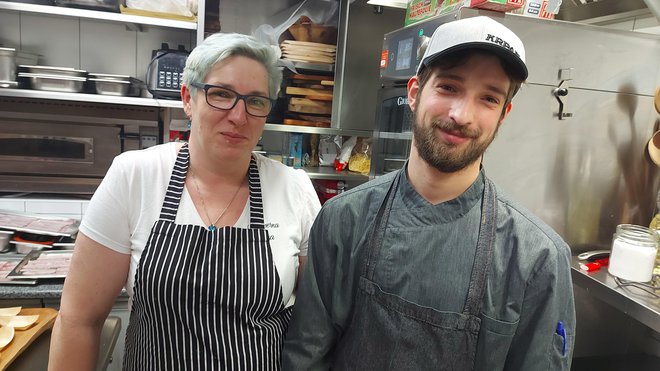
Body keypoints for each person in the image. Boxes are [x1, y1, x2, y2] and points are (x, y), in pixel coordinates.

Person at [282, 16, 575, 370]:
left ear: (503, 115)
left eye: (488, 98)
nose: (461, 114)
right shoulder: (344, 219)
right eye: (449, 87)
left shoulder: (537, 259)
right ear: (415, 92)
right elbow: (306, 356)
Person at [48, 33, 321, 370]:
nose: (239, 116)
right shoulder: (135, 176)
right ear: (188, 98)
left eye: (256, 101)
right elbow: (79, 320)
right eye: (221, 94)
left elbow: (313, 329)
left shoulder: (295, 189)